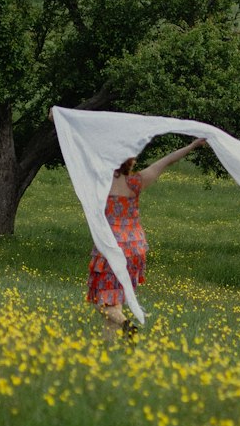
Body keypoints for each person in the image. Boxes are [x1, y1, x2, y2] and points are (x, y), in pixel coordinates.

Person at [87, 139, 206, 338]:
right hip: (135, 246)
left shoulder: (101, 182)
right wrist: (192, 146)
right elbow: (167, 161)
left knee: (102, 303)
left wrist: (58, 121)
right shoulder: (135, 182)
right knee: (113, 302)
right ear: (129, 161)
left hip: (111, 246)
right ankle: (108, 351)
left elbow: (81, 147)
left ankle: (127, 325)